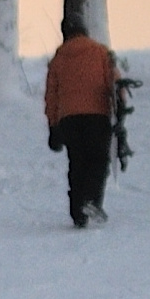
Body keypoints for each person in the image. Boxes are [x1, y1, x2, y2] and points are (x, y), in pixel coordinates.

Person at [43, 14, 119, 227]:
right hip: (97, 115)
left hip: (69, 119)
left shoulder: (57, 59)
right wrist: (119, 110)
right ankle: (92, 201)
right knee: (97, 160)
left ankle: (78, 213)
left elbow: (51, 95)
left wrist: (53, 125)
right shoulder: (100, 52)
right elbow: (115, 82)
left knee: (77, 163)